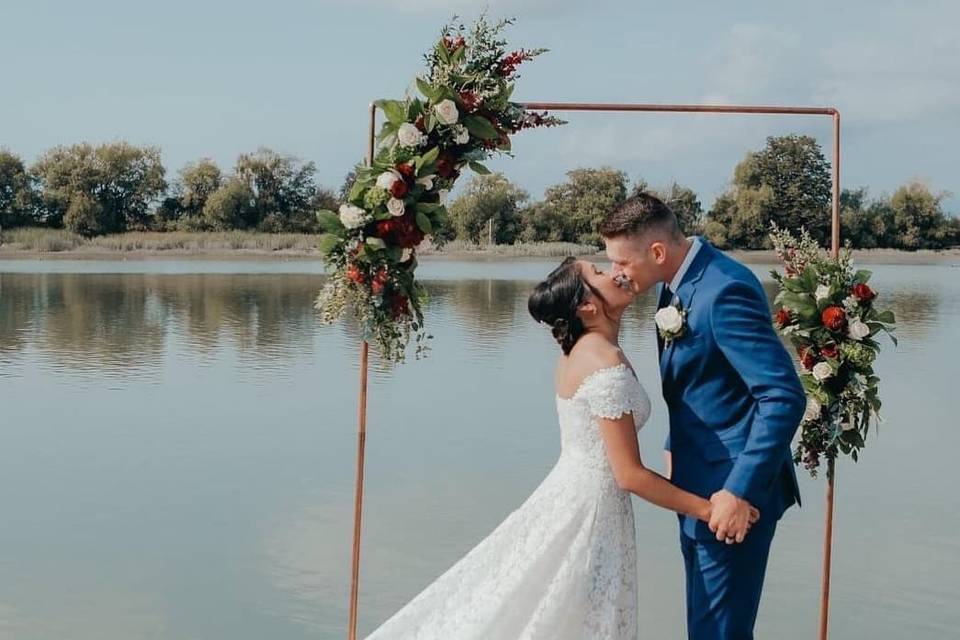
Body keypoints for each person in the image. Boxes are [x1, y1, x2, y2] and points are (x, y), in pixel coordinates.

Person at [363, 255, 756, 639]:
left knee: (546, 607)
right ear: (587, 305)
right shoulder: (604, 365)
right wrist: (709, 509)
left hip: (572, 493)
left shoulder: (578, 352)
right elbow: (629, 475)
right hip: (590, 510)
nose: (615, 272)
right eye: (600, 272)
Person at [602, 193, 805, 639]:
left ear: (656, 252)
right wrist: (675, 446)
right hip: (694, 486)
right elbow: (700, 386)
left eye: (621, 262)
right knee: (706, 629)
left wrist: (739, 492)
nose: (617, 272)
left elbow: (783, 395)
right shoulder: (674, 285)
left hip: (732, 499)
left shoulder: (724, 288)